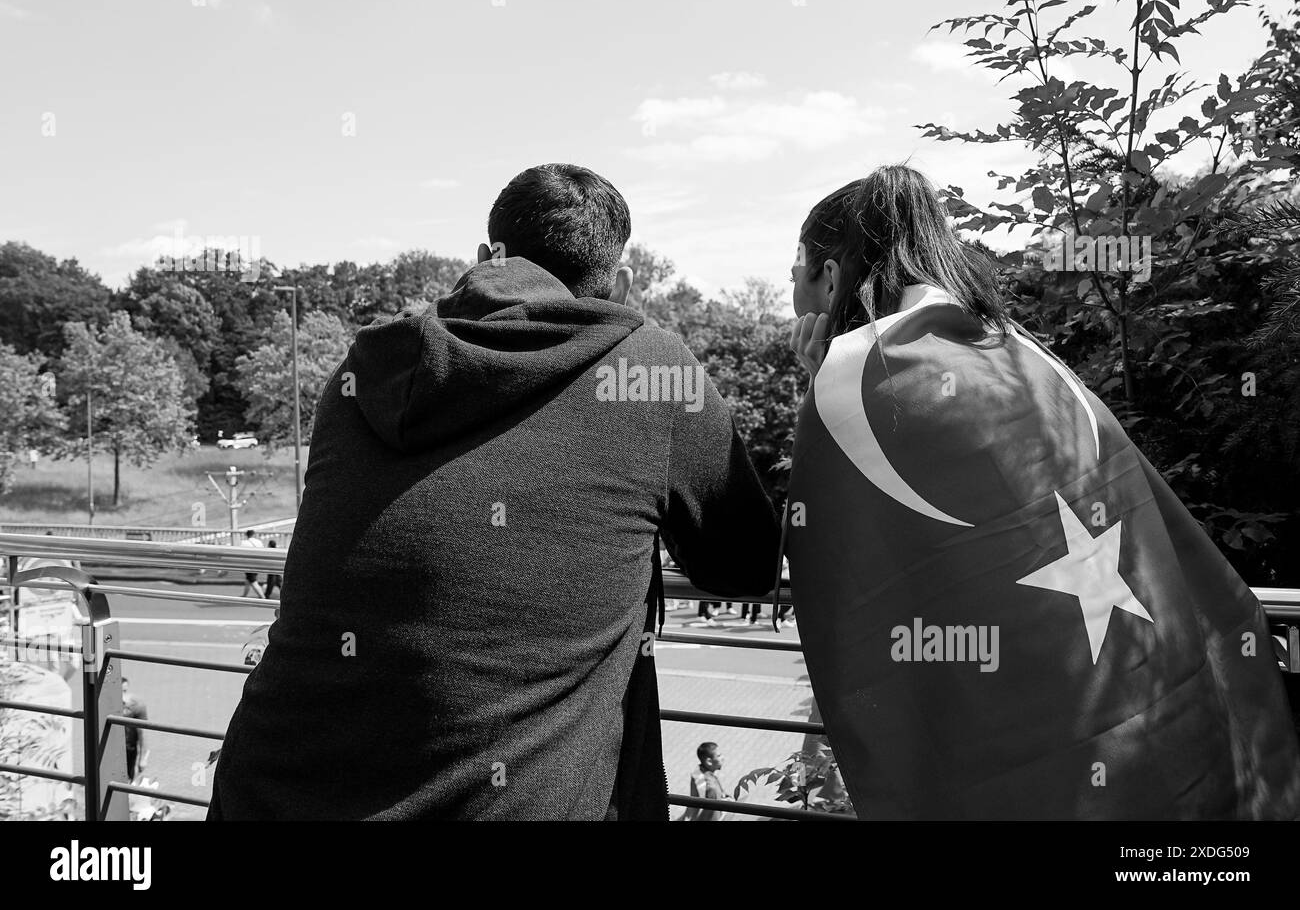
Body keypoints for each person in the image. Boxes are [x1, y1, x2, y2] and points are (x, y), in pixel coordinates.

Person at [210, 163, 781, 820]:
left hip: (267, 789)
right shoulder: (651, 370)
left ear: (486, 259)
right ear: (622, 286)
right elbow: (745, 564)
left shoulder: (364, 367)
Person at [785, 164, 1300, 818]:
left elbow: (854, 580)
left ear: (832, 277)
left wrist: (819, 385)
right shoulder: (1020, 353)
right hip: (1142, 700)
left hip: (1019, 741)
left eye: (797, 279)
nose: (798, 306)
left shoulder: (854, 388)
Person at [682, 742, 728, 821]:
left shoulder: (698, 772)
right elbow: (708, 813)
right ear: (709, 762)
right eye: (719, 756)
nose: (723, 757)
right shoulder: (711, 788)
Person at [120, 677, 148, 781]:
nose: (123, 695)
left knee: (129, 779)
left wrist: (142, 758)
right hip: (110, 748)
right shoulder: (106, 705)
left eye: (124, 691)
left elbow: (142, 734)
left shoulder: (137, 706)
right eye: (120, 691)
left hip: (129, 749)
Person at [239, 529, 264, 599]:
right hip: (258, 563)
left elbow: (241, 553)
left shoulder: (243, 543)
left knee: (253, 581)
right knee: (248, 579)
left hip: (249, 564)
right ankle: (244, 595)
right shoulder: (259, 542)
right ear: (254, 534)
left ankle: (262, 596)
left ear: (246, 535)